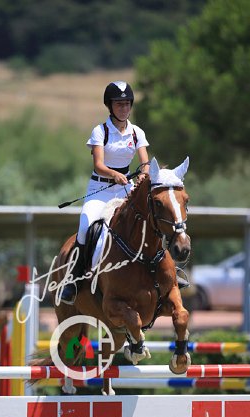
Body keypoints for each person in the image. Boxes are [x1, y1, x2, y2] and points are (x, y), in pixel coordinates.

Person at [60, 81, 150, 305]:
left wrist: (143, 175)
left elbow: (145, 163)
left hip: (126, 188)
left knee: (151, 219)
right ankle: (74, 279)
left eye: (127, 104)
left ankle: (162, 271)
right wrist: (115, 174)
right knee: (85, 225)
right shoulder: (100, 131)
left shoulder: (137, 132)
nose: (124, 108)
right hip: (100, 189)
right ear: (110, 106)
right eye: (119, 104)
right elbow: (99, 165)